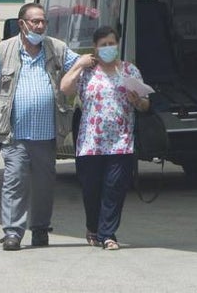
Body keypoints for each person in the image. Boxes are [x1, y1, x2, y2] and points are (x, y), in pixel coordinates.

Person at [0, 3, 78, 251]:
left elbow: (79, 66)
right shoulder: (4, 51)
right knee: (14, 183)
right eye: (35, 21)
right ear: (22, 24)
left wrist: (96, 64)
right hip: (15, 134)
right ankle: (13, 232)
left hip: (47, 135)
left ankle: (40, 229)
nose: (40, 26)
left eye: (43, 21)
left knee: (44, 186)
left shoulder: (56, 48)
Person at [60, 25, 152, 250]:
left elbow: (145, 104)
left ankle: (108, 234)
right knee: (92, 189)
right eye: (104, 45)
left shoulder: (130, 71)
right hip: (91, 143)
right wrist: (79, 65)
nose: (109, 48)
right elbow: (65, 88)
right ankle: (93, 227)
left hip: (121, 142)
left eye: (112, 44)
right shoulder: (87, 72)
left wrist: (137, 101)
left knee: (114, 188)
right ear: (95, 48)